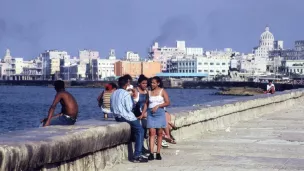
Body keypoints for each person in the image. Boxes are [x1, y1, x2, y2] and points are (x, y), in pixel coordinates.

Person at [110, 76, 148, 163]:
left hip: (117, 117)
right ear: (127, 83)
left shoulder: (114, 93)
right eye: (129, 83)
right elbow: (129, 108)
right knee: (140, 130)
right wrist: (133, 99)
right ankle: (137, 155)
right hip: (126, 116)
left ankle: (140, 151)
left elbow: (111, 108)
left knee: (136, 130)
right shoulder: (126, 94)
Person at [142, 76, 170, 160]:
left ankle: (158, 152)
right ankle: (151, 152)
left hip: (160, 113)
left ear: (158, 83)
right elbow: (146, 103)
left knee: (160, 133)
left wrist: (158, 105)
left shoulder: (162, 91)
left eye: (154, 83)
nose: (152, 84)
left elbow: (167, 102)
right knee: (151, 132)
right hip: (151, 113)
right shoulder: (149, 92)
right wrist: (143, 113)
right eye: (151, 82)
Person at [133, 74, 150, 154]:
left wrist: (143, 114)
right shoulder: (135, 91)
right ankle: (141, 147)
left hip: (144, 112)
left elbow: (147, 104)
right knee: (142, 127)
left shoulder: (147, 91)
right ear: (139, 83)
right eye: (143, 83)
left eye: (146, 83)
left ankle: (143, 146)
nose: (145, 85)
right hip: (136, 112)